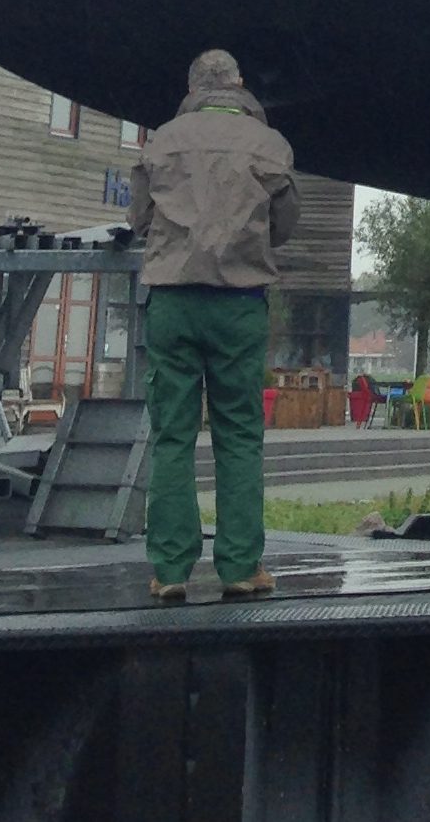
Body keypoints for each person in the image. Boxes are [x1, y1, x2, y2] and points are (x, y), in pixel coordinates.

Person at [129, 48, 300, 603]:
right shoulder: (269, 145)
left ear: (192, 88)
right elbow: (284, 227)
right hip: (238, 304)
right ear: (239, 83)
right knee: (240, 434)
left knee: (172, 435)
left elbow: (139, 218)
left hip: (173, 302)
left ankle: (170, 570)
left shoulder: (161, 142)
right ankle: (240, 566)